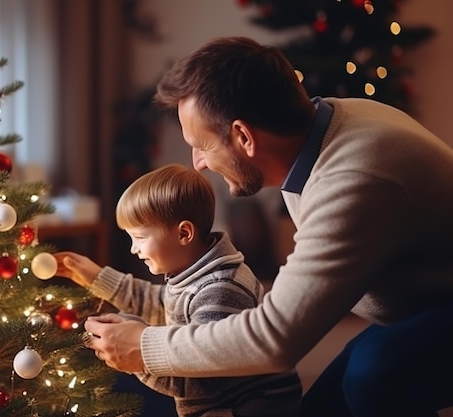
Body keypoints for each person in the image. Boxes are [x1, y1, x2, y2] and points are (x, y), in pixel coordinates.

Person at [82, 36, 453, 417]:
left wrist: (145, 347)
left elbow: (275, 340)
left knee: (374, 375)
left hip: (439, 307)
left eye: (203, 146)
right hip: (419, 307)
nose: (198, 164)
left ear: (243, 136)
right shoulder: (326, 130)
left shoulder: (354, 178)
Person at [55, 163, 302, 417]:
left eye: (139, 238)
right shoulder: (194, 271)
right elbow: (158, 302)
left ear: (184, 233)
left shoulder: (219, 290)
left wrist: (135, 357)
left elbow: (199, 382)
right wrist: (97, 277)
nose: (133, 249)